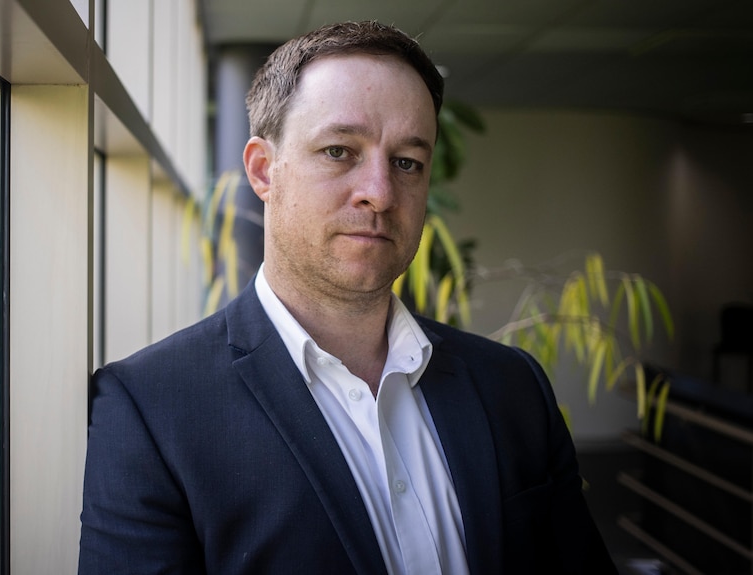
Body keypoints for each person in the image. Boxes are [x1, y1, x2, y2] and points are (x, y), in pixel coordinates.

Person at [78, 21, 617, 575]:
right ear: (264, 171)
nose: (380, 193)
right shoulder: (150, 409)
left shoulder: (513, 387)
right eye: (339, 151)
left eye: (407, 162)